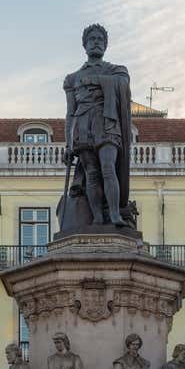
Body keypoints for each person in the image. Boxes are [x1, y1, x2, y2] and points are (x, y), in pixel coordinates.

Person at [62, 24, 132, 227]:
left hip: (107, 122)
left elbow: (123, 85)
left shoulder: (116, 70)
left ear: (106, 45)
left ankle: (115, 214)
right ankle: (98, 217)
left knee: (108, 167)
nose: (96, 42)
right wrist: (68, 144)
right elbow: (70, 112)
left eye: (100, 39)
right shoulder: (72, 79)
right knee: (91, 173)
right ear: (84, 45)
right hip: (82, 124)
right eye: (92, 39)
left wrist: (96, 80)